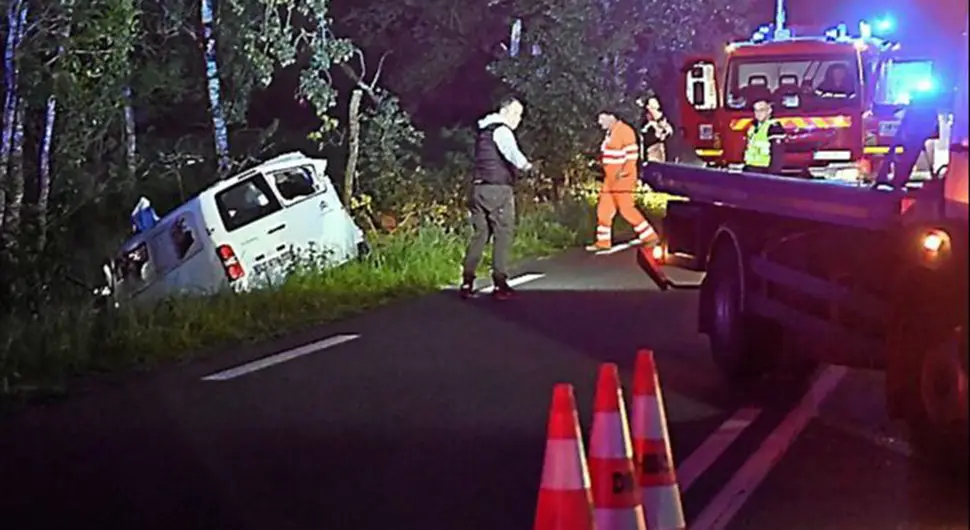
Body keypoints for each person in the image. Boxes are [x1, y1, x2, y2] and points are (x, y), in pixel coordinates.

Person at [459, 95, 535, 300]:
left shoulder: (483, 131)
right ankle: (500, 283)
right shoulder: (502, 131)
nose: (518, 119)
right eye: (516, 114)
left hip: (478, 189)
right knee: (503, 233)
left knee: (480, 235)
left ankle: (467, 281)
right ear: (505, 111)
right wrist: (528, 167)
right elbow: (512, 154)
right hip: (497, 190)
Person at [588, 109, 658, 251]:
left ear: (611, 117)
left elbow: (632, 156)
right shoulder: (611, 133)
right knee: (604, 209)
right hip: (610, 177)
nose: (600, 123)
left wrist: (623, 173)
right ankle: (603, 242)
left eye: (602, 119)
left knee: (626, 209)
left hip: (623, 178)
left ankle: (650, 236)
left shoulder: (625, 131)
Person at [743, 100, 786, 173]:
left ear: (769, 111)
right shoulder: (754, 127)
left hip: (764, 169)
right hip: (751, 168)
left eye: (761, 110)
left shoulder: (774, 127)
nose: (758, 113)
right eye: (756, 110)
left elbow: (777, 154)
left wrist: (773, 174)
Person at [639, 96, 674, 163]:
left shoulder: (662, 122)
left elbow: (668, 131)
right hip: (651, 153)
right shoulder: (647, 126)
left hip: (660, 152)